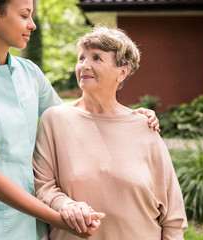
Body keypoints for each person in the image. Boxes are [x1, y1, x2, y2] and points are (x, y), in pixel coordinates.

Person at [0, 1, 160, 239]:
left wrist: (125, 116)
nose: (33, 24)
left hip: (33, 225)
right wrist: (60, 220)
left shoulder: (29, 73)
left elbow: (71, 119)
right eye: (24, 15)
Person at [33, 26, 188, 240]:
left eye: (96, 58)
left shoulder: (145, 127)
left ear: (122, 71)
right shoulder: (55, 120)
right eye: (81, 58)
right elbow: (42, 186)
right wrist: (66, 205)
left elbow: (173, 215)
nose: (84, 65)